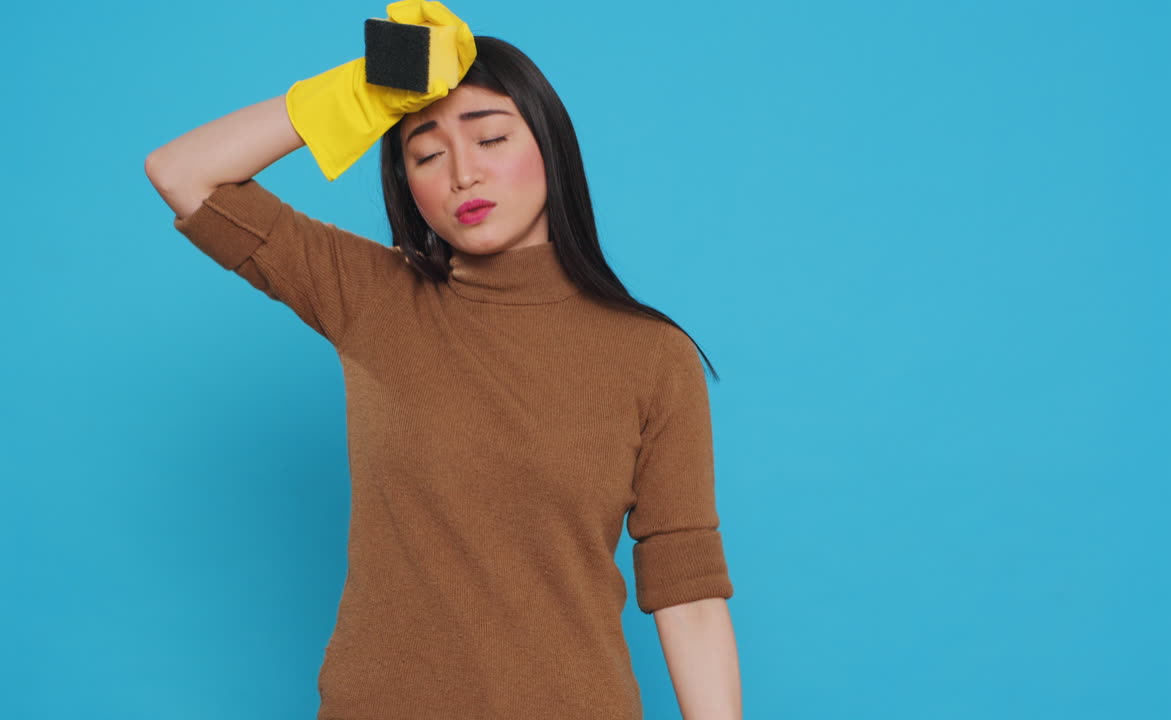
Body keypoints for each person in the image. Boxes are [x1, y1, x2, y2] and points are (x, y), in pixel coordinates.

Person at [145, 4, 741, 718]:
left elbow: (687, 591)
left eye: (491, 138)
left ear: (551, 147)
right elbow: (181, 172)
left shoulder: (652, 354)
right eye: (426, 155)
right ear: (406, 184)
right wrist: (373, 83)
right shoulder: (371, 297)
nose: (463, 173)